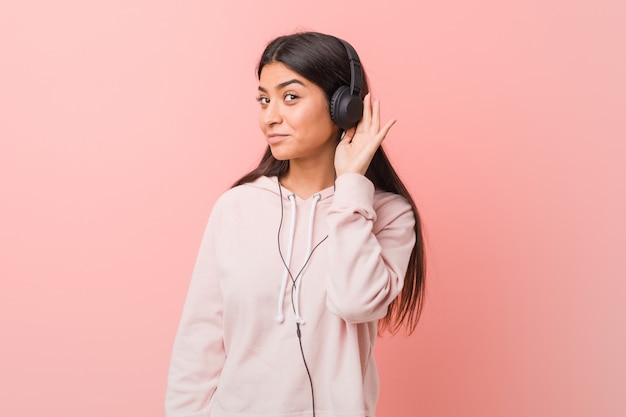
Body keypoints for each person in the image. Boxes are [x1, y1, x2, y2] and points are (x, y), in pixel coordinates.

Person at [165, 31, 425, 417]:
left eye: (290, 97)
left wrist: (352, 187)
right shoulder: (236, 208)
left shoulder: (387, 214)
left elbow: (355, 303)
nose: (271, 116)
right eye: (264, 99)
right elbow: (199, 341)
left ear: (343, 108)